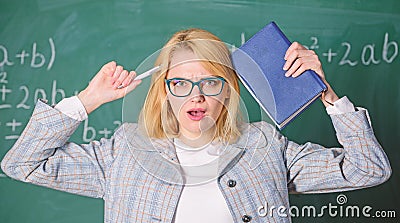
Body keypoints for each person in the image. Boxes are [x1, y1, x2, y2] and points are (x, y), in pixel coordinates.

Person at [1, 28, 391, 223]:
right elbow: (22, 164)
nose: (196, 96)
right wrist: (86, 100)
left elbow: (369, 170)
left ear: (228, 89)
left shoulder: (265, 146)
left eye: (210, 82)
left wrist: (325, 94)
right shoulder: (123, 151)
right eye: (181, 83)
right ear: (165, 90)